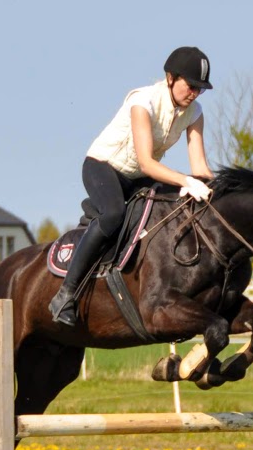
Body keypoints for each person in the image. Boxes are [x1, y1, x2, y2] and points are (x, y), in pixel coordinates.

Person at [50, 46, 216, 326]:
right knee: (113, 214)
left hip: (139, 177)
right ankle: (65, 294)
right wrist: (185, 180)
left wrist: (216, 193)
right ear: (171, 78)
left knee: (176, 209)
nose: (195, 94)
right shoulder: (143, 102)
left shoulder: (195, 112)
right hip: (103, 167)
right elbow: (148, 163)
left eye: (200, 89)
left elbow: (199, 167)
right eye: (191, 86)